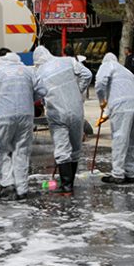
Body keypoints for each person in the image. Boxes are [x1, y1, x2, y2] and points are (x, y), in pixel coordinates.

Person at [33, 45, 92, 195]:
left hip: (57, 113)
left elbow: (38, 93)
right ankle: (70, 183)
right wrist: (78, 91)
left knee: (62, 148)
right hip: (76, 110)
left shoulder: (39, 72)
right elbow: (87, 74)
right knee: (75, 147)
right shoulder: (68, 61)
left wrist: (45, 101)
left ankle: (66, 187)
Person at [0, 51, 37, 201]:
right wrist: (28, 100)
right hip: (26, 115)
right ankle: (22, 189)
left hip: (4, 115)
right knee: (22, 150)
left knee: (1, 150)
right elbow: (41, 89)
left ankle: (7, 184)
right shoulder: (28, 71)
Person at [95, 52, 134, 184]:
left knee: (120, 139)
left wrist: (101, 100)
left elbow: (99, 83)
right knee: (131, 140)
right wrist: (106, 114)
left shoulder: (107, 65)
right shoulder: (127, 72)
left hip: (121, 105)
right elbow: (122, 91)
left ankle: (118, 174)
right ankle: (129, 173)